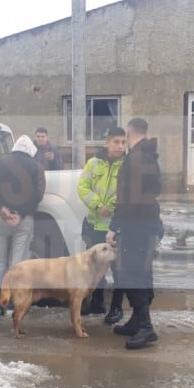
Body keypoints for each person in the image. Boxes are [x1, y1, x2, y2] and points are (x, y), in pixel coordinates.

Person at [106, 117, 163, 350]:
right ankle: (137, 320)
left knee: (134, 273)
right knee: (139, 271)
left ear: (129, 134)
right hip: (146, 224)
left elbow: (128, 198)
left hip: (136, 226)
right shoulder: (149, 156)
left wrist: (115, 227)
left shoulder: (136, 159)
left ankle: (146, 327)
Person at [0, 135, 46, 315]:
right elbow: (38, 194)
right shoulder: (36, 167)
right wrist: (21, 213)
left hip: (0, 219)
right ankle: (11, 304)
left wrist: (1, 209)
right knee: (17, 263)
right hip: (24, 220)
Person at [77, 127, 126, 325]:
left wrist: (111, 207)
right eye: (116, 142)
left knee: (118, 268)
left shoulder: (127, 165)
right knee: (94, 268)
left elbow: (128, 192)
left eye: (123, 142)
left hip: (116, 227)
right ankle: (96, 303)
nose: (120, 146)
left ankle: (116, 308)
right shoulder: (93, 163)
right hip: (94, 224)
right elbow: (82, 187)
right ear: (107, 142)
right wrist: (98, 205)